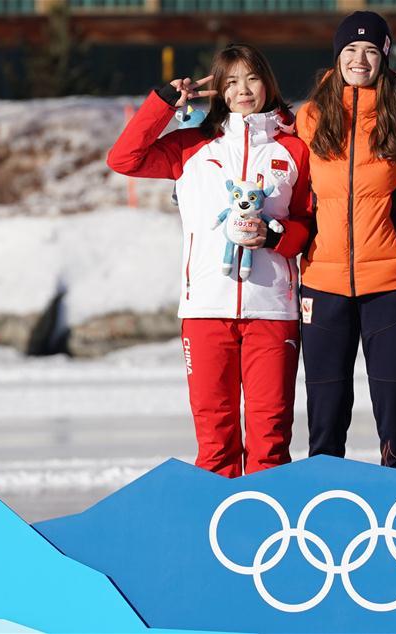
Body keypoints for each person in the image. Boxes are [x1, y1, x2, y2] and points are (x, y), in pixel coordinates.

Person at [106, 44, 312, 478]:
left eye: (251, 78)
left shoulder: (294, 149)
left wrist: (274, 235)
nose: (242, 90)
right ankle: (219, 537)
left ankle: (269, 537)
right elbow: (123, 159)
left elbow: (309, 227)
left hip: (273, 309)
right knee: (215, 441)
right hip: (204, 309)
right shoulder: (191, 146)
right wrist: (165, 103)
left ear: (267, 83)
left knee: (270, 440)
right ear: (217, 89)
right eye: (231, 81)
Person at [296, 11, 396, 471]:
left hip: (389, 282)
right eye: (351, 50)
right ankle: (323, 503)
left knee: (395, 409)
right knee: (326, 412)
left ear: (384, 57)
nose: (360, 58)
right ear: (337, 58)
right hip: (322, 282)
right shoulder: (311, 116)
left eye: (371, 50)